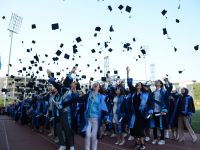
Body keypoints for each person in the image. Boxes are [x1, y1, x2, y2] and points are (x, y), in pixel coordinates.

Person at [80, 82, 108, 150]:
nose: (95, 85)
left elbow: (105, 108)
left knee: (94, 136)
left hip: (96, 119)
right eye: (94, 84)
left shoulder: (101, 97)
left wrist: (106, 118)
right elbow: (79, 99)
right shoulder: (88, 95)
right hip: (88, 119)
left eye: (97, 85)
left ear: (99, 88)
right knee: (87, 135)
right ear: (92, 86)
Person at [151, 80, 168, 145]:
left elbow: (166, 102)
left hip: (161, 111)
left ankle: (162, 139)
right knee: (154, 126)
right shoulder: (153, 92)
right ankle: (155, 138)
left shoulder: (163, 92)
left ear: (161, 84)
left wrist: (164, 110)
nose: (156, 82)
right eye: (156, 82)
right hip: (154, 111)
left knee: (161, 126)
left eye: (158, 81)